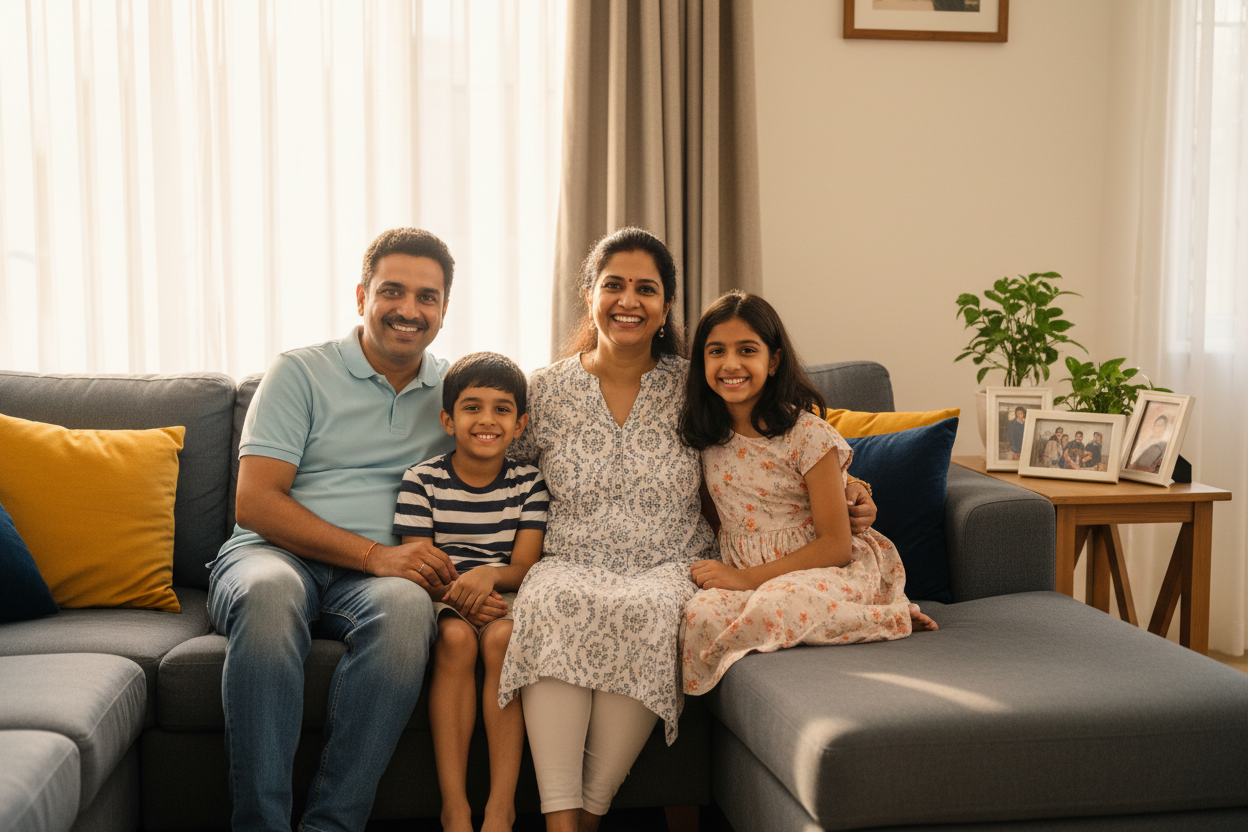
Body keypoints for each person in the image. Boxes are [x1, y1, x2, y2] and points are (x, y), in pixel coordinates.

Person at [496, 228, 879, 832]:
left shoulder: (695, 384)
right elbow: (501, 473)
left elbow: (772, 445)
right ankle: (560, 821)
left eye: (646, 289)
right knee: (549, 601)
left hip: (672, 563)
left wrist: (855, 490)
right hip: (567, 559)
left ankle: (587, 816)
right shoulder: (543, 390)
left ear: (666, 306)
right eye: (614, 285)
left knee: (652, 611)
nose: (629, 301)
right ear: (589, 294)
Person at [208, 228, 461, 832]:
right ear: (361, 296)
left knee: (408, 611)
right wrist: (375, 554)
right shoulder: (300, 371)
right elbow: (256, 502)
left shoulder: (457, 391)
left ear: (444, 309)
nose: (408, 309)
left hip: (376, 583)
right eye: (392, 291)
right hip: (271, 555)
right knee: (269, 594)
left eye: (426, 297)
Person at [677, 291, 937, 694]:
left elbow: (836, 546)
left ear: (773, 360)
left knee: (775, 604)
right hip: (746, 568)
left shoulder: (808, 435)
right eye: (716, 351)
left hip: (825, 567)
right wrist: (733, 575)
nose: (730, 364)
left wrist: (744, 579)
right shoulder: (706, 436)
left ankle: (886, 618)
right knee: (699, 615)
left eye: (747, 350)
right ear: (701, 362)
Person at [393, 352, 549, 832]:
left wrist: (488, 578)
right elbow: (419, 562)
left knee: (503, 640)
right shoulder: (421, 481)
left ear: (520, 424)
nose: (487, 420)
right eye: (472, 407)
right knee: (456, 640)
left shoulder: (529, 483)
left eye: (502, 409)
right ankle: (455, 806)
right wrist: (464, 592)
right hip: (442, 593)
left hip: (503, 593)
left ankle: (501, 807)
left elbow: (524, 567)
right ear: (448, 420)